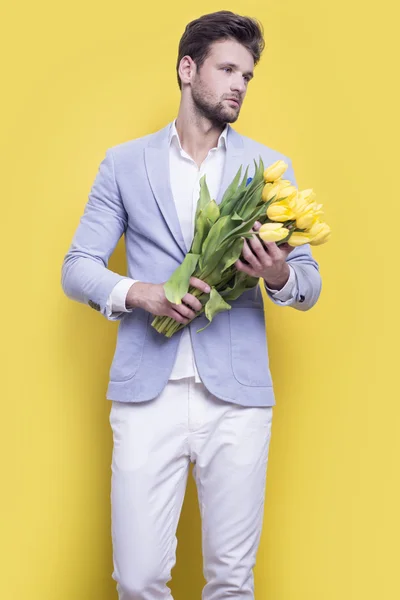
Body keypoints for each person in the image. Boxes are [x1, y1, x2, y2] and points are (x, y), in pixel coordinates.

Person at [61, 10, 321, 600]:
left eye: (247, 76)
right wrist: (138, 292)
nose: (238, 85)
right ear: (187, 69)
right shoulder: (124, 164)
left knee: (231, 580)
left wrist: (278, 274)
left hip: (238, 398)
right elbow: (77, 269)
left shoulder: (268, 169)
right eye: (227, 69)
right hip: (145, 392)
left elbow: (307, 283)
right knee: (138, 577)